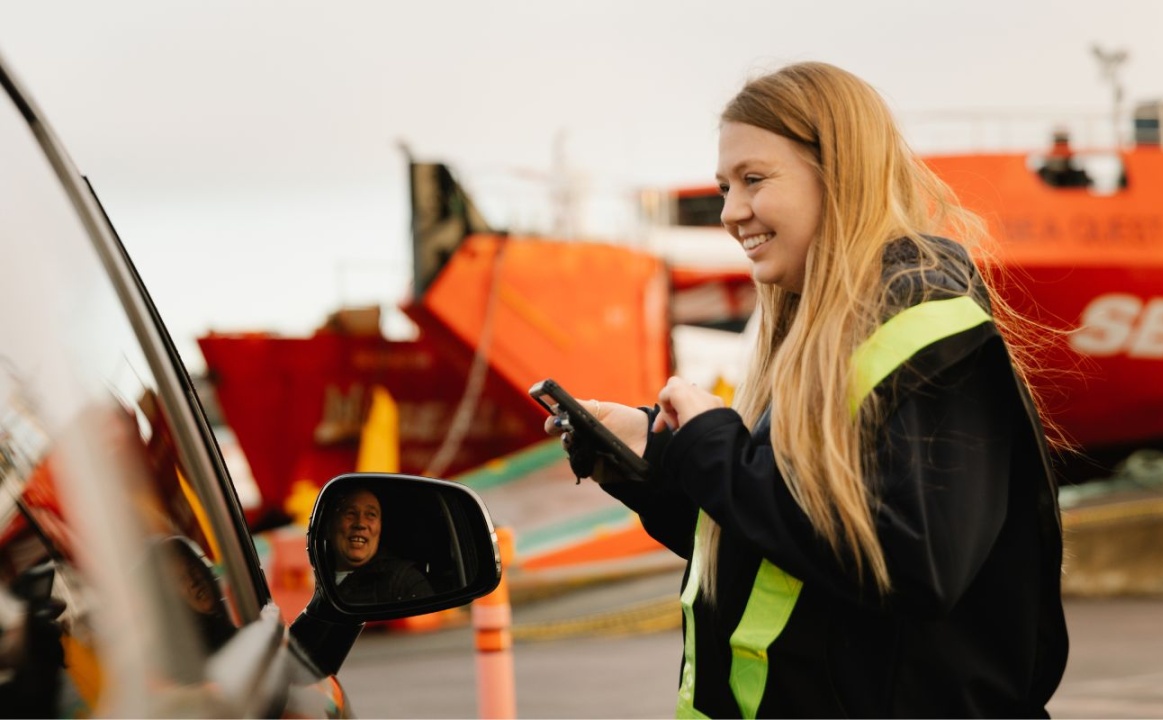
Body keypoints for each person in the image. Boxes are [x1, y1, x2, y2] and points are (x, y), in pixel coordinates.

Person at [545, 61, 1068, 718]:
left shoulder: (924, 324)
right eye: (724, 186)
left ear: (839, 172)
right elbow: (789, 557)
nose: (732, 212)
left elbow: (913, 563)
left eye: (753, 180)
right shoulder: (813, 339)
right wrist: (652, 465)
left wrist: (713, 446)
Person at [328, 486, 433, 605]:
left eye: (371, 515)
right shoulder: (311, 576)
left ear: (380, 529)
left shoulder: (403, 581)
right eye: (351, 513)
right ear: (329, 527)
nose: (360, 523)